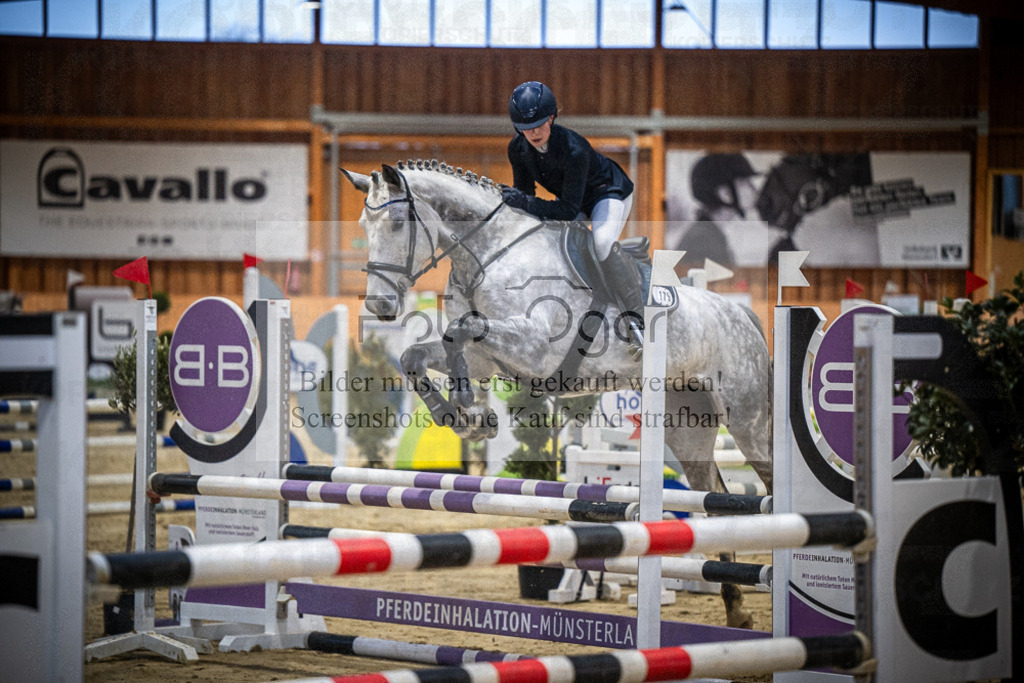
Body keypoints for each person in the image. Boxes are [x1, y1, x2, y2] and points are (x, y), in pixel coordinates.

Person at [500, 81, 643, 356]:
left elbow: (567, 209)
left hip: (607, 192)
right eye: (527, 127)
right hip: (571, 200)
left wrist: (526, 202)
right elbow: (526, 196)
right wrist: (517, 205)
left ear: (552, 118)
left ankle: (637, 322)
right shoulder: (517, 149)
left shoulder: (574, 148)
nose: (535, 132)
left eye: (541, 124)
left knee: (601, 243)